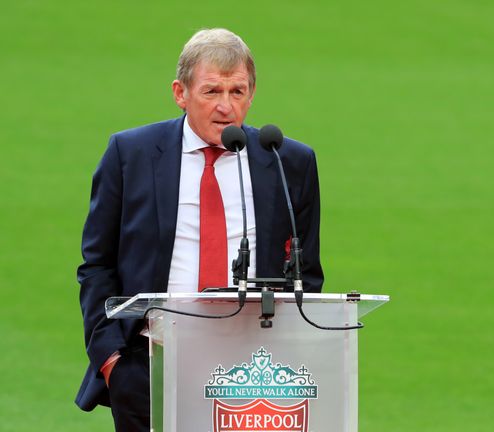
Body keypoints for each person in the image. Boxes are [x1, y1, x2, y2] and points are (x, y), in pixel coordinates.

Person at [75, 28, 323, 431]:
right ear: (180, 92)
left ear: (252, 93)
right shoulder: (130, 154)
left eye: (237, 92)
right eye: (212, 92)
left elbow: (306, 274)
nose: (226, 107)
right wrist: (111, 362)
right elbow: (96, 265)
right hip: (148, 363)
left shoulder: (287, 162)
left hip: (255, 371)